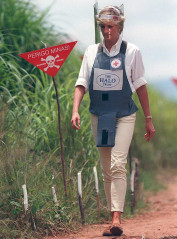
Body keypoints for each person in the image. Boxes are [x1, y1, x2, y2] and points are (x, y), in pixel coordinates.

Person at [71, 5, 155, 237]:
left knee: (118, 163)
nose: (107, 31)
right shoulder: (91, 52)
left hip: (125, 115)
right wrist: (75, 110)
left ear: (119, 26)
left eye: (111, 26)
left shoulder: (132, 52)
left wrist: (148, 119)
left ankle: (117, 219)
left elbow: (140, 85)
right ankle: (112, 217)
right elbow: (81, 83)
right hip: (100, 115)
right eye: (103, 27)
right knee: (107, 167)